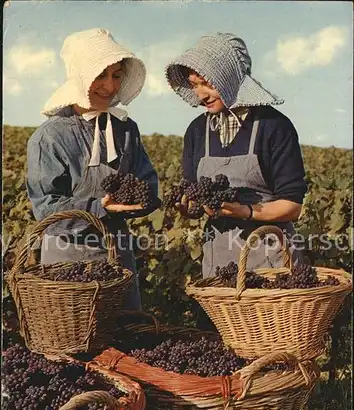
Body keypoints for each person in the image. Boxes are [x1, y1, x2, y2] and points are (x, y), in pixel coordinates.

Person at [26, 28, 159, 310]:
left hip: (118, 251)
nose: (109, 87)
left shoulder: (125, 129)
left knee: (125, 335)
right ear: (80, 77)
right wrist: (99, 207)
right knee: (76, 341)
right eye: (100, 75)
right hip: (68, 255)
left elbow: (147, 182)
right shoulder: (50, 137)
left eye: (117, 75)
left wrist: (138, 200)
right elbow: (45, 207)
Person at [165, 33, 307, 278]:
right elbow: (195, 196)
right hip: (218, 260)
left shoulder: (273, 126)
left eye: (207, 83)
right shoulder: (197, 132)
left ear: (230, 78)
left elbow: (292, 206)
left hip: (269, 260)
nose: (201, 94)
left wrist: (246, 211)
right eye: (194, 84)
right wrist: (189, 208)